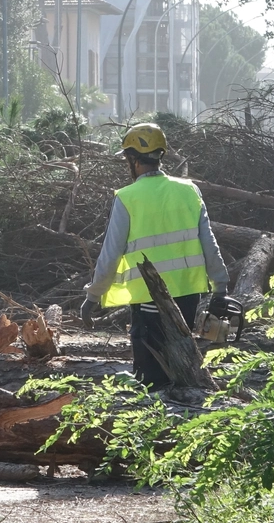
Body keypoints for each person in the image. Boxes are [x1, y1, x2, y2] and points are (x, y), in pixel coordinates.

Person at [82, 122, 230, 387]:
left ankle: (159, 418)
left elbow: (110, 254)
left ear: (133, 159)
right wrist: (220, 286)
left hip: (149, 299)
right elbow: (210, 243)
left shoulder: (127, 197)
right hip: (188, 295)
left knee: (152, 376)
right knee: (182, 361)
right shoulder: (189, 191)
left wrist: (93, 297)